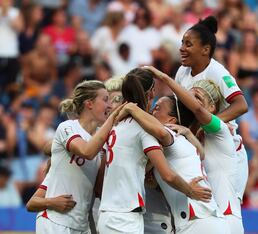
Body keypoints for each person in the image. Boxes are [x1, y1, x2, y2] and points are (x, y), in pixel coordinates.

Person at [97, 68, 211, 234]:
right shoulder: (144, 129)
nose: (154, 110)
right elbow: (168, 175)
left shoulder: (116, 125)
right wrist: (190, 191)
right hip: (125, 217)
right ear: (151, 93)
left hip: (107, 214)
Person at [145, 66, 244, 233]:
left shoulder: (221, 131)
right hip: (200, 218)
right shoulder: (183, 138)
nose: (190, 100)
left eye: (197, 97)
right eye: (187, 96)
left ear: (212, 108)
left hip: (225, 218)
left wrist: (165, 78)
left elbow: (198, 110)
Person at [117, 97, 229, 233]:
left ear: (171, 120)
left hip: (198, 221)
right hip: (204, 220)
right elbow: (201, 153)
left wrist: (132, 108)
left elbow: (161, 133)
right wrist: (188, 133)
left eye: (158, 108)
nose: (151, 111)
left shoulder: (169, 132)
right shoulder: (182, 140)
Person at [173, 16, 248, 203]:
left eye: (188, 44)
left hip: (227, 152)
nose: (182, 48)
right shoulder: (182, 72)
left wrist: (206, 124)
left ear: (205, 50)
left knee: (226, 212)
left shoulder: (218, 72)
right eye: (182, 43)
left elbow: (241, 105)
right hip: (202, 150)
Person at [35, 80, 124, 234]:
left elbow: (99, 189)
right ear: (89, 104)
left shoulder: (104, 140)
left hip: (82, 226)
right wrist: (113, 119)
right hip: (56, 222)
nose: (109, 106)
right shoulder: (68, 127)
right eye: (105, 100)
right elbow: (87, 151)